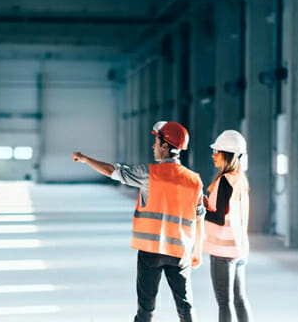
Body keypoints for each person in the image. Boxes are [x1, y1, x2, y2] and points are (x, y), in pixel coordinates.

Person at [72, 121, 205, 322]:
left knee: (145, 310)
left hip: (150, 251)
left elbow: (112, 171)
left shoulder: (150, 174)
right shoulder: (194, 180)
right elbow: (198, 217)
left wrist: (85, 159)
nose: (153, 146)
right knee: (186, 308)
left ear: (165, 146)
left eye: (156, 141)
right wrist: (197, 251)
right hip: (180, 252)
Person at [203, 130, 252, 322]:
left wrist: (200, 208)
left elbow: (218, 218)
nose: (213, 155)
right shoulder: (239, 179)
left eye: (217, 151)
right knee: (239, 299)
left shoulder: (224, 181)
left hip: (222, 251)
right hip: (239, 248)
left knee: (224, 302)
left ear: (228, 154)